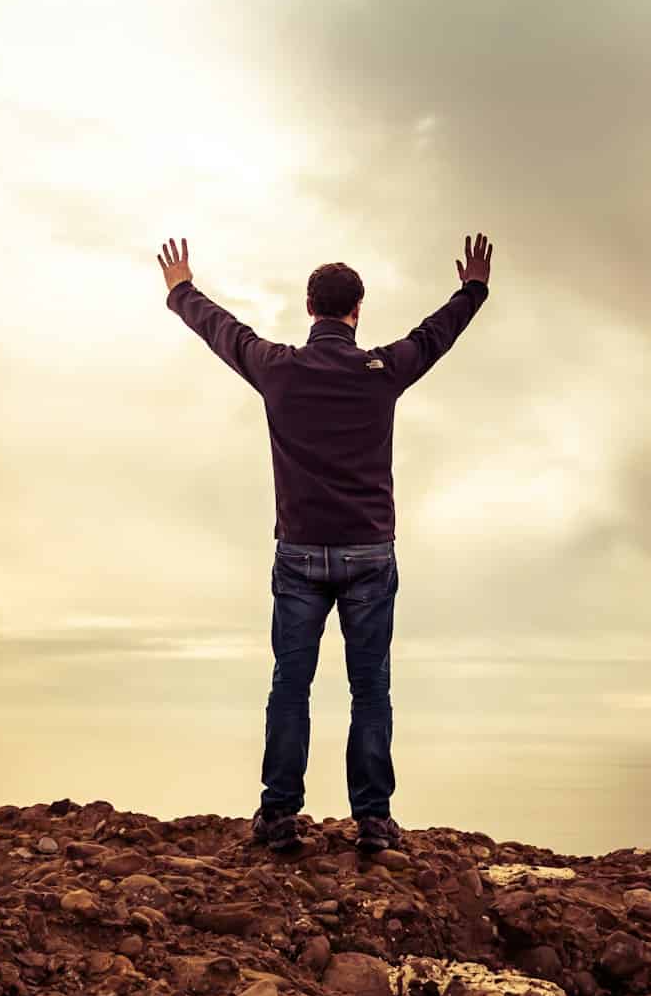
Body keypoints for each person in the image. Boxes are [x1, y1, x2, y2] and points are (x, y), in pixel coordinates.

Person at [157, 233, 494, 855]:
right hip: (369, 554)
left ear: (310, 308)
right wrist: (472, 289)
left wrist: (181, 289)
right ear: (356, 310)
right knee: (370, 689)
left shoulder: (279, 369)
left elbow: (222, 330)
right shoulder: (381, 372)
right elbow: (433, 336)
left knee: (291, 683)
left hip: (301, 554)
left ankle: (279, 816)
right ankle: (373, 823)